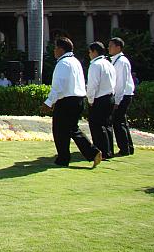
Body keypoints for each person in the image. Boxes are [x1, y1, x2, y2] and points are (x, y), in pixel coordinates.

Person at [41, 37, 102, 168]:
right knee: (72, 129)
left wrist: (49, 102)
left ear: (61, 49)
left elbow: (59, 86)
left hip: (67, 101)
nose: (54, 51)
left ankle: (64, 158)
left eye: (55, 48)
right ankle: (91, 153)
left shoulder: (63, 63)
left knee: (59, 130)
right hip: (78, 99)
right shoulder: (75, 61)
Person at [86, 41, 116, 160]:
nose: (89, 54)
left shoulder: (95, 65)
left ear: (94, 52)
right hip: (110, 97)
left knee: (97, 126)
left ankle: (101, 151)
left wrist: (90, 100)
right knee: (107, 125)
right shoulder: (108, 63)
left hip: (99, 99)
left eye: (90, 52)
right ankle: (108, 150)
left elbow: (93, 84)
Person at [109, 37, 135, 156]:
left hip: (123, 95)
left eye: (111, 46)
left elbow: (121, 83)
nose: (109, 48)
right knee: (121, 122)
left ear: (118, 47)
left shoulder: (122, 61)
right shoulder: (116, 60)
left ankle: (124, 148)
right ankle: (128, 147)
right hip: (121, 95)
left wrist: (117, 101)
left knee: (118, 122)